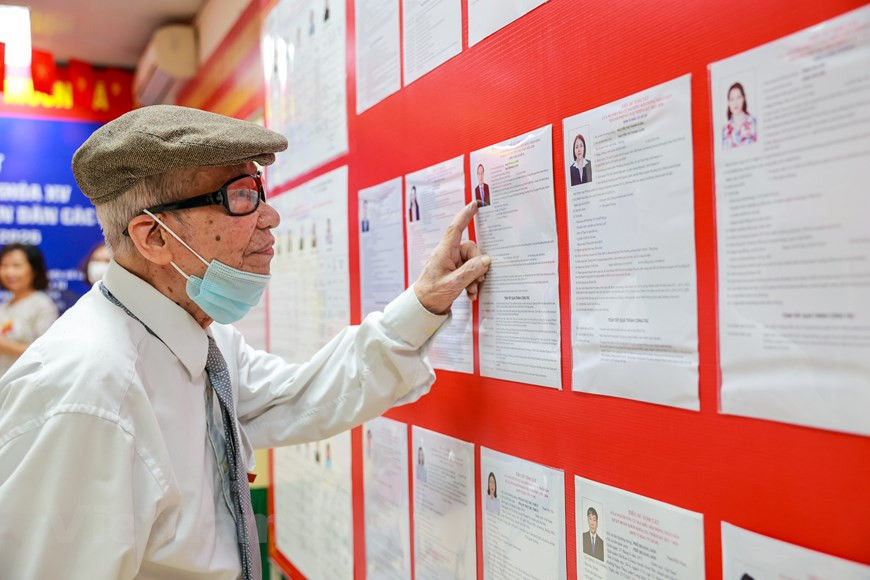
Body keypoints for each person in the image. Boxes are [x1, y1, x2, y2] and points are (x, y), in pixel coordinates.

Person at [0, 105, 491, 579]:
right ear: (153, 237)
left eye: (259, 189)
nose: (270, 216)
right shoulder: (87, 393)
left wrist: (424, 304)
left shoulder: (196, 339)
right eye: (239, 196)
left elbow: (300, 396)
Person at [0, 243, 59, 377]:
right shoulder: (3, 307)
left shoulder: (42, 305)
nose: (9, 272)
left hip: (27, 385)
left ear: (33, 270)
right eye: (4, 266)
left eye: (16, 266)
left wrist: (5, 344)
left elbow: (46, 354)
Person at [722, 82, 757, 148]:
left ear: (743, 98)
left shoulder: (753, 122)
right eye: (732, 99)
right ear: (728, 103)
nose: (735, 102)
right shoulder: (725, 130)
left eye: (738, 97)